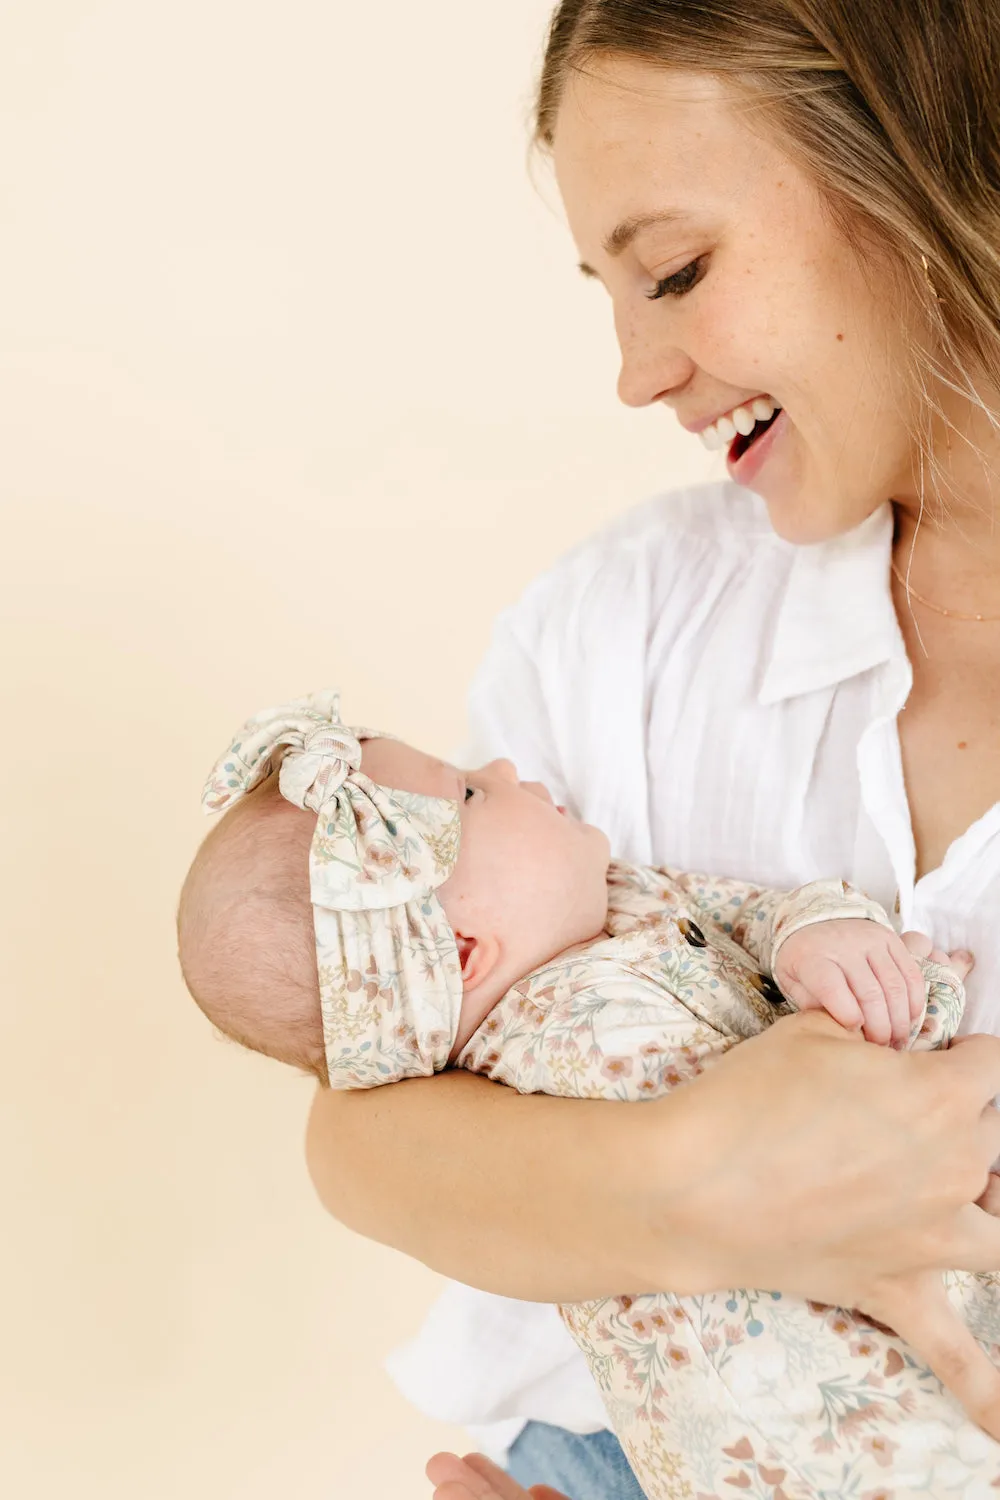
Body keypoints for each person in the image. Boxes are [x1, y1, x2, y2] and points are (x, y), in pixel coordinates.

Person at [303, 3, 1000, 1495]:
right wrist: (705, 1181)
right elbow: (364, 1137)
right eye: (610, 291)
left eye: (674, 271)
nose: (635, 372)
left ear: (922, 173)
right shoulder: (617, 631)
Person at [179, 694, 1000, 1494]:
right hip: (788, 1423)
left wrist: (822, 935)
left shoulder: (627, 898)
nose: (502, 765)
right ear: (464, 953)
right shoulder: (551, 1063)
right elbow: (807, 1122)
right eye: (470, 790)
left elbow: (766, 920)